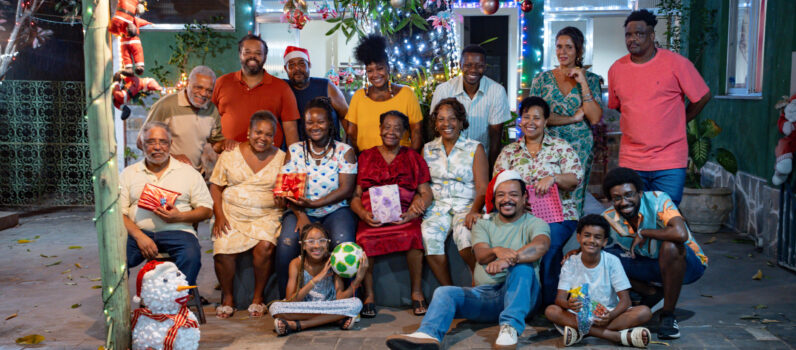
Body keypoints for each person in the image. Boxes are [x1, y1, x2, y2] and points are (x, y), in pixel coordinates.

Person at [386, 170, 550, 349]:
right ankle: (428, 335)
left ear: (525, 197)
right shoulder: (484, 223)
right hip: (488, 297)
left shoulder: (535, 223)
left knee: (523, 268)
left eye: (513, 194)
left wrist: (508, 260)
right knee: (444, 292)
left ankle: (509, 327)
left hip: (524, 297)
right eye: (501, 195)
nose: (506, 199)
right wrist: (496, 250)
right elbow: (481, 255)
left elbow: (540, 245)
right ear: (495, 198)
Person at [607, 9, 711, 205]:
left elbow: (703, 96)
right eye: (628, 35)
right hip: (632, 160)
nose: (633, 39)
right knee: (634, 216)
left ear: (652, 35)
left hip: (669, 160)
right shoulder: (616, 69)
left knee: (667, 216)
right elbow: (619, 105)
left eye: (639, 34)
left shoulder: (676, 64)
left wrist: (682, 119)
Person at [494, 96, 583, 307]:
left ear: (546, 120)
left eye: (537, 117)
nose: (530, 122)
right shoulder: (509, 152)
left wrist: (554, 178)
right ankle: (519, 302)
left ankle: (550, 305)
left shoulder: (561, 147)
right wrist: (515, 201)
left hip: (559, 215)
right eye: (526, 117)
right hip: (522, 215)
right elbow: (498, 184)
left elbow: (575, 178)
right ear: (520, 120)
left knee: (549, 247)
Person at [600, 167, 708, 339]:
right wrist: (577, 252)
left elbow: (681, 234)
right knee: (604, 257)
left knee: (671, 245)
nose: (624, 202)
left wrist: (645, 233)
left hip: (687, 264)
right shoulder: (609, 217)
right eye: (617, 198)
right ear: (611, 200)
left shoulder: (659, 200)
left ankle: (668, 315)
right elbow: (595, 244)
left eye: (629, 195)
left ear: (640, 193)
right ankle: (651, 294)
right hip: (651, 265)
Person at [350, 111, 432, 318]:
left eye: (397, 128)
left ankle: (416, 292)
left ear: (405, 132)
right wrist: (362, 213)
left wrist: (414, 211)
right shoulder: (366, 156)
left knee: (414, 235)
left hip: (403, 216)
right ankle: (368, 295)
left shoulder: (413, 157)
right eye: (387, 127)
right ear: (379, 129)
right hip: (372, 217)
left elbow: (425, 192)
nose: (391, 132)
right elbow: (355, 195)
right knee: (363, 238)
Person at [275, 97, 358, 299]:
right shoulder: (294, 151)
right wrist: (301, 214)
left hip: (335, 210)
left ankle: (344, 300)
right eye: (310, 122)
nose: (315, 126)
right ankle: (287, 299)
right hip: (300, 210)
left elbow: (346, 189)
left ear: (330, 123)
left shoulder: (344, 151)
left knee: (342, 242)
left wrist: (315, 203)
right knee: (287, 241)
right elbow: (289, 191)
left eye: (320, 121)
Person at [209, 111, 286, 319]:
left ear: (274, 136)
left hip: (266, 215)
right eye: (258, 132)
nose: (262, 138)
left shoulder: (282, 158)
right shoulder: (230, 154)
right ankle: (228, 299)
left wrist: (283, 198)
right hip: (231, 213)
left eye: (268, 134)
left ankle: (258, 298)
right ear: (249, 132)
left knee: (265, 246)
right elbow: (215, 186)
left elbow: (286, 190)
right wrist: (219, 216)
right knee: (223, 247)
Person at [121, 121, 213, 288]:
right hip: (139, 233)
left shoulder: (189, 173)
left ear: (170, 144)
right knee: (116, 259)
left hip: (178, 231)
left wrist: (180, 216)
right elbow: (119, 213)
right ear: (143, 144)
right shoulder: (129, 173)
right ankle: (118, 308)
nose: (157, 147)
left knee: (191, 256)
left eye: (163, 142)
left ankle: (176, 302)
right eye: (151, 142)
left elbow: (206, 210)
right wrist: (139, 236)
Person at [545, 214, 651, 347]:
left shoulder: (612, 261)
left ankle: (581, 333)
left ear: (605, 242)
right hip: (579, 315)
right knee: (551, 311)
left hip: (608, 315)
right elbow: (559, 299)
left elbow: (625, 301)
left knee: (644, 312)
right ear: (578, 237)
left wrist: (610, 316)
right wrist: (568, 305)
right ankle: (615, 336)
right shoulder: (571, 262)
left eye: (597, 237)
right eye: (587, 235)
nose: (591, 240)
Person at [530, 27, 603, 215]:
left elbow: (594, 117)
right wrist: (573, 118)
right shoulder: (542, 80)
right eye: (559, 47)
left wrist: (583, 83)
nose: (562, 52)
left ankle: (572, 239)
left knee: (574, 203)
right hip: (548, 149)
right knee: (545, 199)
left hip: (580, 148)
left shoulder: (592, 80)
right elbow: (535, 119)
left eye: (569, 47)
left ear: (578, 50)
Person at [421, 98, 488, 285]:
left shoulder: (474, 148)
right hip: (437, 207)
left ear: (460, 122)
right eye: (441, 119)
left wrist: (475, 210)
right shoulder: (428, 149)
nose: (446, 124)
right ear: (435, 123)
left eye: (451, 119)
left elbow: (483, 187)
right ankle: (449, 290)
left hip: (466, 205)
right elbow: (424, 184)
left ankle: (480, 282)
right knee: (428, 236)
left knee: (465, 235)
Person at [270, 223, 367, 335]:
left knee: (356, 304)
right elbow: (291, 300)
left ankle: (298, 325)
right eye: (311, 241)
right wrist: (317, 278)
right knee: (275, 307)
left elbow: (340, 298)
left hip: (329, 305)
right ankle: (333, 319)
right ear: (303, 246)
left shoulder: (334, 261)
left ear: (327, 243)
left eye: (322, 240)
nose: (317, 246)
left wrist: (358, 279)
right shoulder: (296, 263)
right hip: (305, 307)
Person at [430, 44, 512, 169]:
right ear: (460, 65)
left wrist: (491, 171)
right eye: (468, 65)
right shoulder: (443, 90)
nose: (473, 70)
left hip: (481, 161)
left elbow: (496, 137)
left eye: (479, 66)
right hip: (448, 160)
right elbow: (435, 128)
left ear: (485, 66)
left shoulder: (497, 91)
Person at [212, 34, 300, 151]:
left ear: (265, 57)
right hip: (228, 156)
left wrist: (293, 161)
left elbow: (291, 130)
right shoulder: (221, 83)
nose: (252, 56)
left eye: (258, 53)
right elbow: (208, 121)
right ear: (240, 55)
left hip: (268, 159)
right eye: (247, 52)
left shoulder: (282, 88)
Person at [138, 65, 225, 174]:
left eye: (209, 90)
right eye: (198, 87)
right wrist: (172, 158)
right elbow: (141, 142)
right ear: (188, 83)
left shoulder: (212, 110)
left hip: (195, 177)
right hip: (165, 176)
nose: (203, 94)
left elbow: (217, 142)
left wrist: (227, 144)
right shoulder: (166, 105)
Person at [345, 34, 423, 153]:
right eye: (370, 71)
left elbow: (417, 132)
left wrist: (407, 161)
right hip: (367, 165)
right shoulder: (359, 97)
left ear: (388, 67)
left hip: (400, 164)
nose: (375, 74)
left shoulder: (406, 94)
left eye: (380, 68)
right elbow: (351, 134)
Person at [282, 46, 350, 141]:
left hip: (331, 150)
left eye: (301, 63)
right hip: (298, 152)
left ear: (309, 65)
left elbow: (346, 116)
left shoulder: (326, 86)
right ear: (286, 69)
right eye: (291, 65)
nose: (297, 68)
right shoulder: (282, 88)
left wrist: (347, 144)